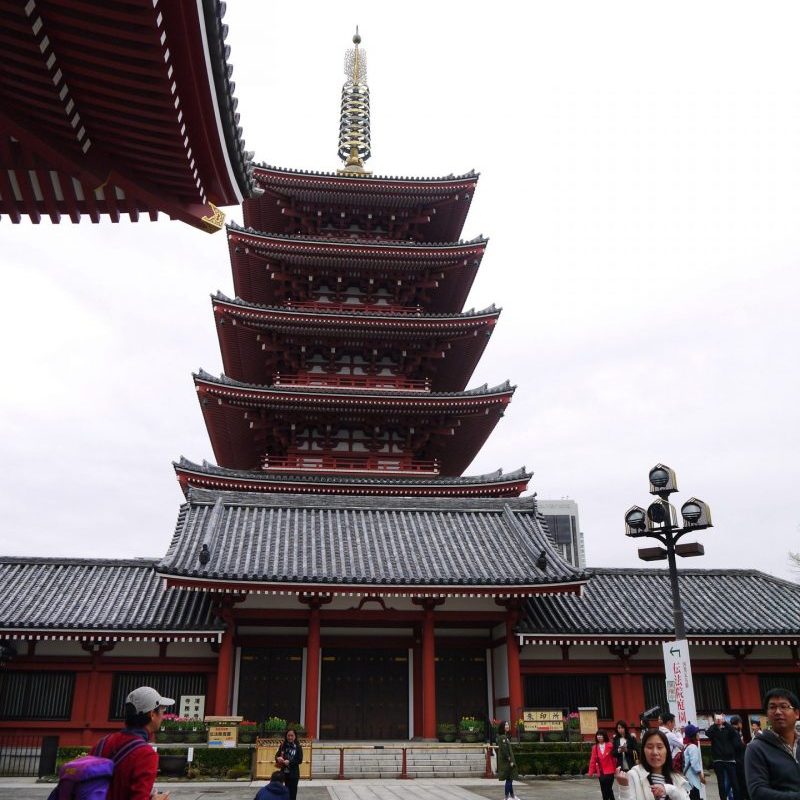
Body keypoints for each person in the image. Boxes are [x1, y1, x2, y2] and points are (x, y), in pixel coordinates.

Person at [95, 686, 173, 800]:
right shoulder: (146, 754)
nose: (163, 716)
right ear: (152, 714)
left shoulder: (103, 742)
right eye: (162, 710)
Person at [744, 687, 800, 799]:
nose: (778, 712)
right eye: (772, 707)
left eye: (784, 706)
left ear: (797, 713)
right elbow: (757, 792)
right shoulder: (756, 748)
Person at [614, 728, 691, 800]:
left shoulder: (676, 778)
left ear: (667, 751)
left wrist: (669, 789)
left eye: (659, 747)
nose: (655, 752)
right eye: (650, 747)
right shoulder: (634, 775)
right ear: (643, 751)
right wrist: (624, 788)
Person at [706, 713, 742, 800]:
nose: (719, 720)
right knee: (721, 783)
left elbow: (733, 732)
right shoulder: (714, 731)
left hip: (730, 760)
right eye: (717, 718)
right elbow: (708, 733)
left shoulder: (728, 730)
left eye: (720, 718)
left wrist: (725, 722)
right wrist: (714, 723)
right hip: (718, 760)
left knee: (734, 782)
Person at [275, 728, 303, 800]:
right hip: (284, 773)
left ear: (295, 736)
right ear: (286, 736)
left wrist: (290, 762)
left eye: (292, 735)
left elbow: (300, 760)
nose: (290, 737)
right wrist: (278, 758)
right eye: (288, 735)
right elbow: (277, 755)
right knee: (283, 791)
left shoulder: (298, 747)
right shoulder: (283, 745)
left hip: (294, 773)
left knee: (292, 792)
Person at [590, 729, 618, 800]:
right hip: (601, 771)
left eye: (601, 735)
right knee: (604, 789)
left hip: (610, 771)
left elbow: (615, 758)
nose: (599, 737)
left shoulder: (610, 745)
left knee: (608, 789)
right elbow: (593, 760)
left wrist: (617, 769)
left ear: (604, 736)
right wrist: (591, 771)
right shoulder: (595, 747)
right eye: (598, 735)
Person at [496, 721, 520, 800]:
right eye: (505, 725)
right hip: (507, 762)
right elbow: (505, 751)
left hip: (507, 761)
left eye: (508, 724)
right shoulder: (502, 737)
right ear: (502, 727)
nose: (507, 726)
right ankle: (506, 797)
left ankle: (512, 796)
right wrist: (510, 761)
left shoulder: (505, 736)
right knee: (509, 779)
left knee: (510, 778)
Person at [683, 724, 706, 800]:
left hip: (687, 778)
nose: (698, 734)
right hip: (693, 781)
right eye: (697, 733)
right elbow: (694, 764)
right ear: (693, 735)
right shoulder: (693, 747)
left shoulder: (686, 746)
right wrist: (701, 777)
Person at [729, 715, 749, 800]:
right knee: (742, 783)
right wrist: (745, 746)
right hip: (739, 762)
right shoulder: (734, 732)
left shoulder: (732, 732)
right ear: (739, 723)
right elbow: (737, 746)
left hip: (735, 761)